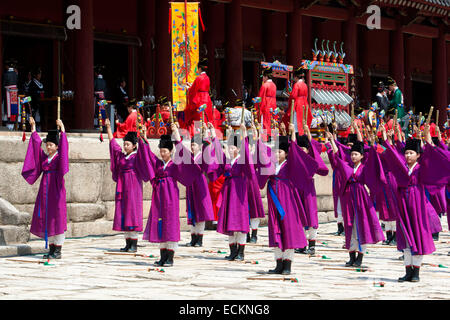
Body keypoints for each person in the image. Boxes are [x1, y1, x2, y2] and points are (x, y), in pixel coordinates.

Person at [380, 124, 450, 282]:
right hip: (403, 203)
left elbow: (434, 157)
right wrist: (386, 139)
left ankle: (416, 272)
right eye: (406, 153)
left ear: (418, 155)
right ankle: (408, 270)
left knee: (417, 235)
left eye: (411, 153)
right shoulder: (402, 168)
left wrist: (428, 139)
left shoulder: (421, 168)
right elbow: (392, 156)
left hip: (417, 204)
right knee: (405, 236)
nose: (407, 156)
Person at [142, 124, 201, 267]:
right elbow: (148, 155)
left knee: (170, 224)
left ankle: (170, 257)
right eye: (161, 151)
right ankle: (162, 256)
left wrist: (177, 137)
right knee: (160, 223)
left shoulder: (175, 164)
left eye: (165, 151)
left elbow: (186, 158)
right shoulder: (158, 163)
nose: (162, 154)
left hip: (171, 198)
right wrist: (144, 138)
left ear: (170, 151)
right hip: (159, 197)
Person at [326, 130, 386, 268]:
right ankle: (351, 256)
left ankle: (360, 256)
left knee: (361, 225)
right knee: (349, 225)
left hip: (360, 197)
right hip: (348, 197)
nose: (353, 156)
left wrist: (372, 144)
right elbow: (338, 157)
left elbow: (374, 162)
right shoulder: (348, 167)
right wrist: (332, 141)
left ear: (361, 156)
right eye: (352, 154)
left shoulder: (365, 168)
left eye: (356, 154)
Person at [255, 125, 309, 275]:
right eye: (275, 151)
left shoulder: (290, 165)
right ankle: (278, 262)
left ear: (286, 153)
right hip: (274, 203)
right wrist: (259, 137)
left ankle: (287, 264)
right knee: (276, 230)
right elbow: (261, 159)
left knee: (288, 230)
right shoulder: (271, 165)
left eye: (279, 151)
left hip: (288, 203)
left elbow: (297, 156)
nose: (276, 154)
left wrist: (292, 134)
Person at [207, 123, 257, 261]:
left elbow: (247, 154)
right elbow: (218, 152)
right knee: (229, 222)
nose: (230, 149)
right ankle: (232, 251)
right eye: (229, 147)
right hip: (228, 192)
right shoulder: (227, 160)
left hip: (239, 194)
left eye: (233, 147)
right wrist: (212, 133)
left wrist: (244, 134)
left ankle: (241, 252)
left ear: (238, 148)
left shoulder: (242, 160)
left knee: (240, 223)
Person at [21, 117, 69, 259]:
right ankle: (51, 247)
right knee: (48, 215)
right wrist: (34, 128)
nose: (48, 147)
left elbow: (65, 151)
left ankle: (58, 249)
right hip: (45, 189)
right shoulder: (45, 158)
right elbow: (36, 148)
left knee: (57, 216)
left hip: (56, 189)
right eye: (47, 145)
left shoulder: (59, 158)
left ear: (57, 146)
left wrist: (63, 130)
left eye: (51, 145)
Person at [105, 119, 151, 252]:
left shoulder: (137, 157)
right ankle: (127, 242)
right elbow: (113, 145)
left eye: (128, 144)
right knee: (124, 211)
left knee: (133, 212)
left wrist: (143, 135)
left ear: (134, 146)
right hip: (122, 187)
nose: (125, 147)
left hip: (133, 187)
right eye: (124, 144)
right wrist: (108, 128)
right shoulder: (122, 157)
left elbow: (145, 151)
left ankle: (134, 243)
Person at [294, 124, 329, 255]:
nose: (301, 151)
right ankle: (302, 243)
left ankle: (312, 244)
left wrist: (309, 135)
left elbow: (316, 153)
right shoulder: (295, 160)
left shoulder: (310, 159)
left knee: (310, 215)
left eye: (303, 148)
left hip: (308, 189)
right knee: (300, 215)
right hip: (297, 189)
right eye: (299, 149)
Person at [185, 129, 215, 247]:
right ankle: (193, 237)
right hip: (191, 184)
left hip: (200, 183)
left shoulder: (202, 156)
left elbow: (208, 155)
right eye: (191, 145)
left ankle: (200, 238)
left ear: (200, 146)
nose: (193, 147)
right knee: (192, 209)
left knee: (201, 211)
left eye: (195, 145)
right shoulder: (189, 157)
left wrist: (207, 138)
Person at [185, 58, 213, 137]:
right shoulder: (207, 78)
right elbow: (200, 88)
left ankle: (198, 135)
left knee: (198, 117)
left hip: (200, 99)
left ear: (200, 68)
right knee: (206, 116)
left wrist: (188, 88)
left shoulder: (199, 78)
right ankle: (207, 134)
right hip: (207, 99)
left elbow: (193, 90)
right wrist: (191, 86)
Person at [282, 67, 312, 135]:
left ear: (296, 77)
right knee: (303, 120)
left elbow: (293, 96)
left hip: (297, 105)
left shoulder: (296, 85)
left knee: (296, 121)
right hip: (304, 104)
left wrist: (289, 99)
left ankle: (295, 135)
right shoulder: (305, 85)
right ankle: (303, 134)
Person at [257, 67, 277, 140]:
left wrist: (258, 109)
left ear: (266, 76)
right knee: (272, 121)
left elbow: (260, 98)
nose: (263, 79)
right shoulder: (274, 85)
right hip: (273, 106)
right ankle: (273, 138)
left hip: (266, 106)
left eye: (263, 77)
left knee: (264, 123)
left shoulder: (265, 85)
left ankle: (264, 139)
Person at [28, 68, 45, 132]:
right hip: (34, 104)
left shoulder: (41, 84)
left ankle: (39, 129)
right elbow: (31, 95)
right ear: (35, 75)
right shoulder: (32, 84)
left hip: (41, 104)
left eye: (40, 74)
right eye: (39, 74)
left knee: (40, 118)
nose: (40, 76)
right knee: (35, 119)